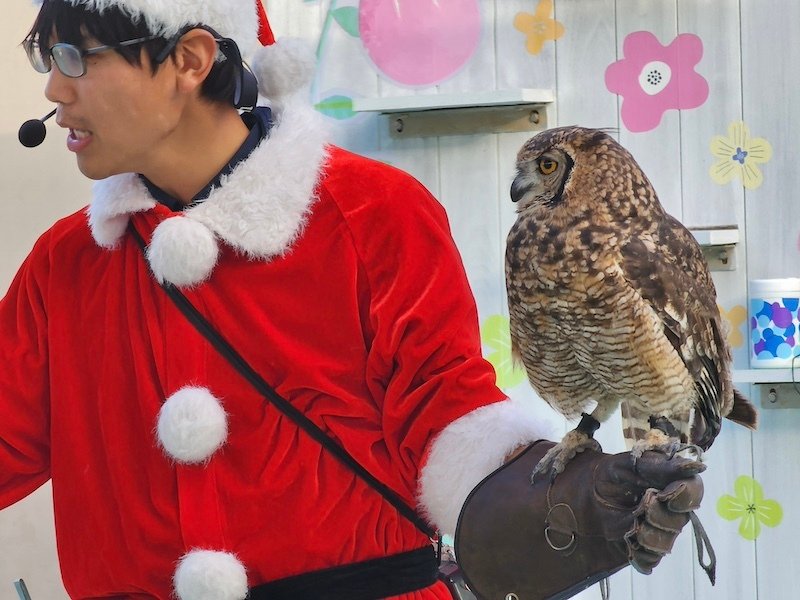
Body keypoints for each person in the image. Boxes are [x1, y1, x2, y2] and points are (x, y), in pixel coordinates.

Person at [2, 0, 705, 598]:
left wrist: (570, 501)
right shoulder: (65, 263)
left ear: (189, 60)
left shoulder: (374, 214)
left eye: (74, 57)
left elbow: (447, 419)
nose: (55, 92)